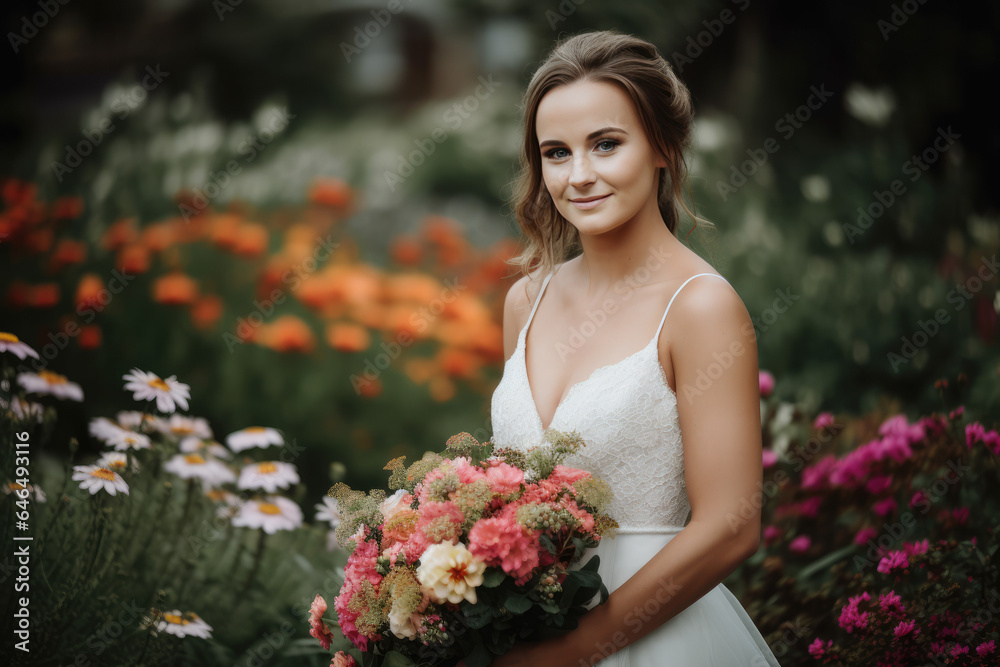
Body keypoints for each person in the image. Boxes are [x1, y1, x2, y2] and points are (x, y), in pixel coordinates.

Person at [486, 30, 782, 666]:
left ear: (664, 149)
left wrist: (577, 651)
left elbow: (731, 527)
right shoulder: (525, 302)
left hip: (657, 640)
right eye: (556, 153)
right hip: (525, 637)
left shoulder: (700, 307)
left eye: (607, 145)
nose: (580, 176)